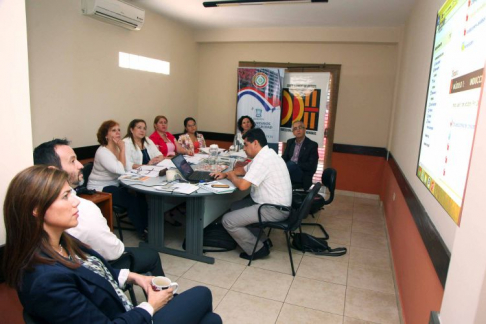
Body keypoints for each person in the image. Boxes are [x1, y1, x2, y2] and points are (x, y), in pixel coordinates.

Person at [2, 166, 221, 324]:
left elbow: (96, 273)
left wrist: (136, 277)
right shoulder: (45, 280)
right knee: (203, 294)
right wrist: (150, 306)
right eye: (65, 196)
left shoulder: (62, 242)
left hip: (124, 312)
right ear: (37, 210)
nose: (76, 201)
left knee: (212, 320)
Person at [33, 139, 164, 276]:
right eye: (72, 161)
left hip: (73, 268)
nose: (80, 165)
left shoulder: (35, 202)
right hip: (97, 269)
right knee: (151, 255)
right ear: (53, 171)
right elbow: (114, 252)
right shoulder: (83, 209)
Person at [211, 128, 292, 260]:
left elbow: (242, 186)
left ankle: (257, 249)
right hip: (274, 204)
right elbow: (243, 169)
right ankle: (264, 240)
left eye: (246, 145)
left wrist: (232, 177)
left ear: (255, 143)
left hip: (274, 209)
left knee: (228, 220)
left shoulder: (263, 160)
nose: (244, 148)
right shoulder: (266, 154)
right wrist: (226, 173)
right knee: (235, 206)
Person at [87, 120, 148, 239]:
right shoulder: (103, 152)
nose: (118, 133)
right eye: (113, 130)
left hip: (115, 183)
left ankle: (147, 225)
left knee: (140, 194)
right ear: (106, 135)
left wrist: (142, 169)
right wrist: (123, 149)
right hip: (99, 188)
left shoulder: (117, 147)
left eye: (119, 130)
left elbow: (126, 165)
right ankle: (142, 231)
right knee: (130, 199)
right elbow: (120, 169)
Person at [281, 120, 319, 190]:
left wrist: (296, 164)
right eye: (295, 129)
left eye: (300, 127)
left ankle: (278, 178)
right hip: (289, 171)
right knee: (287, 165)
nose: (298, 130)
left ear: (304, 129)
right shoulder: (290, 142)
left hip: (302, 174)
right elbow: (284, 157)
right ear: (293, 132)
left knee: (291, 164)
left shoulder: (312, 145)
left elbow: (312, 166)